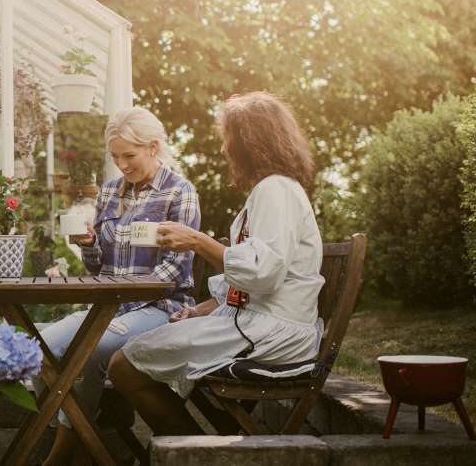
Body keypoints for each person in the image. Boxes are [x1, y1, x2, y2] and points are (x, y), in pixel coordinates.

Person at [108, 91, 325, 437]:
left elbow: (262, 274)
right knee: (137, 357)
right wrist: (200, 310)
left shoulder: (276, 191)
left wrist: (197, 240)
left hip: (274, 334)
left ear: (249, 143)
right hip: (260, 324)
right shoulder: (272, 191)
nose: (224, 150)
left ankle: (198, 455)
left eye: (228, 140)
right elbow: (252, 280)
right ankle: (215, 445)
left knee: (124, 365)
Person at [39, 106, 200, 466]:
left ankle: (65, 453)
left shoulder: (180, 192)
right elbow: (99, 266)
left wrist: (125, 290)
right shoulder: (110, 192)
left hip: (159, 309)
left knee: (89, 350)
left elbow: (175, 272)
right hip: (109, 308)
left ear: (154, 147)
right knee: (45, 348)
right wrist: (88, 243)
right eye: (115, 156)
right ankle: (83, 431)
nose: (122, 164)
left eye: (130, 155)